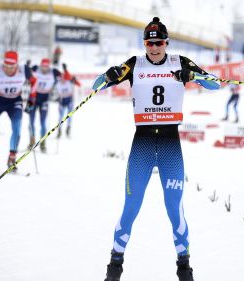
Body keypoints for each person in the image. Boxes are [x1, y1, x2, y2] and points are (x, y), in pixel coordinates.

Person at [93, 17, 220, 281]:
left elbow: (215, 83)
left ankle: (184, 269)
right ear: (144, 43)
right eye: (149, 43)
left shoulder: (180, 62)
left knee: (175, 208)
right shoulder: (134, 64)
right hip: (142, 143)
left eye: (159, 42)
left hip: (170, 145)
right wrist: (107, 76)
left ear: (166, 42)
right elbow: (97, 84)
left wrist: (193, 76)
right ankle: (114, 269)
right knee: (131, 207)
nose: (154, 47)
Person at [28, 58, 62, 152]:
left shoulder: (53, 72)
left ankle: (42, 143)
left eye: (46, 67)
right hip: (34, 98)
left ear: (49, 66)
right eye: (43, 66)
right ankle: (32, 141)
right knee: (31, 121)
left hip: (44, 99)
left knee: (43, 122)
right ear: (40, 65)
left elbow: (63, 77)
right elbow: (26, 72)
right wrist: (27, 66)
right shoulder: (35, 68)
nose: (44, 69)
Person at [56, 63, 80, 138]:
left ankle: (68, 129)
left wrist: (74, 80)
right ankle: (59, 130)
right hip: (62, 100)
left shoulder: (69, 81)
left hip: (69, 100)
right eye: (61, 78)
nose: (62, 80)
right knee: (61, 116)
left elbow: (79, 84)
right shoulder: (58, 83)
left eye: (64, 78)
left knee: (69, 116)